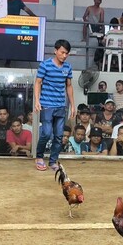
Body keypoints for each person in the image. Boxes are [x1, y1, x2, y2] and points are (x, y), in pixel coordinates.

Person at [34, 39, 75, 171]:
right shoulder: (45, 65)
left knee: (58, 136)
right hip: (47, 105)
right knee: (46, 133)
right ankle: (39, 157)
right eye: (62, 52)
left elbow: (69, 86)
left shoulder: (67, 67)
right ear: (55, 51)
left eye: (66, 53)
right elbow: (38, 82)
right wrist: (37, 100)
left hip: (60, 106)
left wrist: (73, 105)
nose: (64, 55)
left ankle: (53, 161)